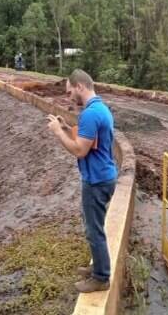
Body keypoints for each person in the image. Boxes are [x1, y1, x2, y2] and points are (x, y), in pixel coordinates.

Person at [47, 69, 118, 293]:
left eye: (70, 92)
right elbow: (91, 139)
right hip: (103, 175)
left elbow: (80, 150)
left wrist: (58, 132)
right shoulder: (99, 108)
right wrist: (69, 128)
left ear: (80, 87)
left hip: (96, 180)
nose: (69, 98)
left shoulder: (90, 114)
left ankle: (101, 278)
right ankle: (99, 266)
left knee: (93, 230)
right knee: (94, 226)